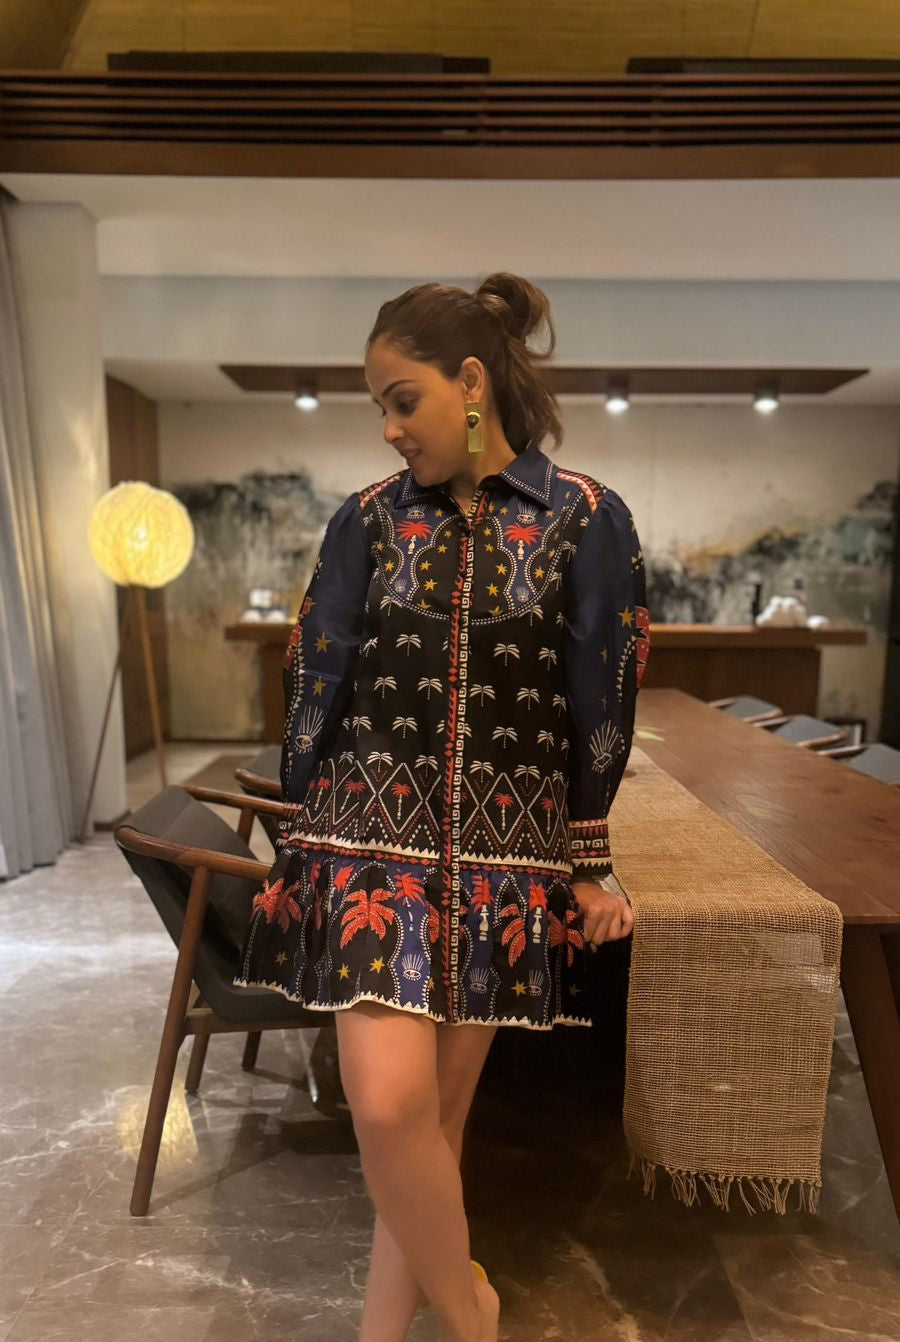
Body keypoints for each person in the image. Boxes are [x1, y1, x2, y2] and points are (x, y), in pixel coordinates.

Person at [233, 272, 651, 1342]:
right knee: (385, 1109)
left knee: (435, 1124)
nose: (388, 427)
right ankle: (473, 1315)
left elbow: (601, 693)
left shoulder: (587, 519)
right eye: (379, 406)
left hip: (506, 856)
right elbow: (315, 668)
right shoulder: (369, 520)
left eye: (402, 399)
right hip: (370, 841)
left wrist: (589, 857)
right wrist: (301, 824)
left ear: (471, 381)